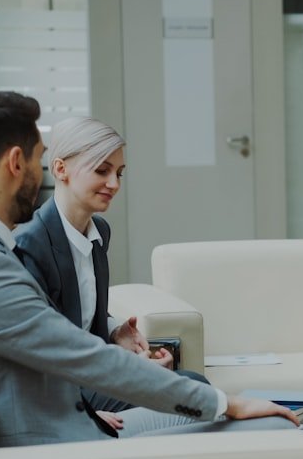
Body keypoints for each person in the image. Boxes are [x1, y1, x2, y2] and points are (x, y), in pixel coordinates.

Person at [0, 90, 298, 448]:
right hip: (60, 446)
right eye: (39, 160)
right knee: (274, 428)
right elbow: (85, 358)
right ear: (15, 162)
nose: (40, 174)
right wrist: (228, 404)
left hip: (61, 420)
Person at [14, 116, 205, 432]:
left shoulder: (99, 231)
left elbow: (82, 314)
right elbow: (34, 353)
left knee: (191, 385)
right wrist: (81, 411)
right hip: (65, 389)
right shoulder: (30, 246)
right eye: (102, 171)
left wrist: (115, 332)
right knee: (196, 392)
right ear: (60, 169)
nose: (114, 184)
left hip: (92, 374)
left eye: (118, 173)